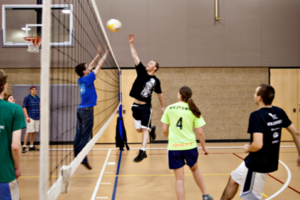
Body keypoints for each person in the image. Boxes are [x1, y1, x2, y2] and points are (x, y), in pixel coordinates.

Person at [220, 84, 300, 200]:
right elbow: (296, 133)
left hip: (257, 164)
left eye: (255, 93)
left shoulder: (256, 116)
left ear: (259, 98)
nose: (253, 95)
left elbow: (257, 144)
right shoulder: (279, 112)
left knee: (251, 197)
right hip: (263, 161)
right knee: (233, 179)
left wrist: (248, 148)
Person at [161, 86, 213, 200]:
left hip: (174, 148)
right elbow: (200, 132)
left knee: (179, 179)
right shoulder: (193, 109)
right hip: (190, 147)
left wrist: (171, 138)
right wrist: (204, 148)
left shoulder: (169, 108)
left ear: (180, 95)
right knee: (195, 169)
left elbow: (164, 129)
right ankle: (205, 195)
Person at [127, 34, 165, 162]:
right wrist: (131, 43)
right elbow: (135, 56)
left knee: (144, 129)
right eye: (148, 62)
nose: (148, 64)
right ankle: (151, 128)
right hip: (135, 106)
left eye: (151, 63)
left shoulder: (156, 81)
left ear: (155, 68)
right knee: (139, 130)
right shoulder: (141, 72)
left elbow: (159, 94)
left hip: (146, 108)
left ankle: (142, 151)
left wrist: (162, 106)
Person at [74, 45, 109, 170]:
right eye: (87, 67)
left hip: (80, 109)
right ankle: (83, 158)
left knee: (78, 133)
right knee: (85, 135)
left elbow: (90, 66)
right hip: (87, 110)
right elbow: (98, 66)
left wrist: (97, 55)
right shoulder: (89, 78)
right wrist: (105, 54)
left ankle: (76, 154)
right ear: (85, 71)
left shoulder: (81, 79)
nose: (89, 67)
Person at [0, 70, 26, 200]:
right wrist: (17, 168)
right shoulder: (14, 109)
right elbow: (15, 146)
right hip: (5, 175)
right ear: (4, 86)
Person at [22, 86, 40, 153]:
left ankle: (31, 146)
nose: (34, 90)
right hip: (30, 117)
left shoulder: (38, 98)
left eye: (35, 89)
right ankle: (24, 146)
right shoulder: (27, 98)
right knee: (29, 131)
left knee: (34, 131)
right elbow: (24, 107)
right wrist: (27, 117)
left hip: (37, 117)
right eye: (33, 89)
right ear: (30, 90)